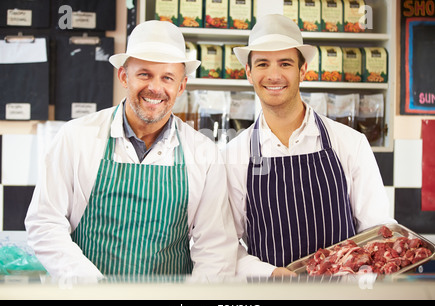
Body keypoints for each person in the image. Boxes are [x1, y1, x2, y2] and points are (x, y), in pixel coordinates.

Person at [25, 20, 238, 282]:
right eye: (144, 74)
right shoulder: (76, 137)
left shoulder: (204, 154)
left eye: (167, 78)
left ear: (181, 86)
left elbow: (216, 250)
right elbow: (44, 223)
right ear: (124, 76)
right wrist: (93, 288)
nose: (155, 88)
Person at [223, 14, 396, 278]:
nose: (273, 75)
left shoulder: (350, 143)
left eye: (285, 63)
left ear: (303, 70)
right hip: (271, 295)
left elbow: (377, 229)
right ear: (249, 73)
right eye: (262, 64)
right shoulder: (233, 155)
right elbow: (224, 245)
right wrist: (269, 274)